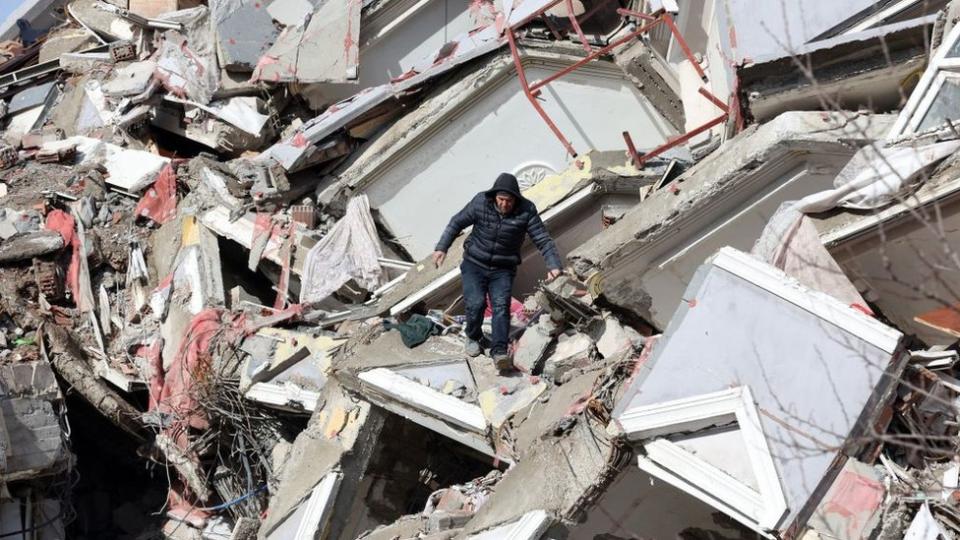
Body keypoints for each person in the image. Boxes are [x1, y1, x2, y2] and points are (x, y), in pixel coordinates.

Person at [432, 173, 562, 370]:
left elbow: (543, 239)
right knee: (476, 303)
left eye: (509, 201)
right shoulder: (480, 202)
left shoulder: (526, 210)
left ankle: (499, 352)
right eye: (501, 200)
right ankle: (474, 336)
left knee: (501, 307)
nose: (504, 204)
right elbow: (456, 222)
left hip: (503, 268)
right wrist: (442, 247)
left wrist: (553, 265)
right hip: (474, 263)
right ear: (494, 197)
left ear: (515, 199)